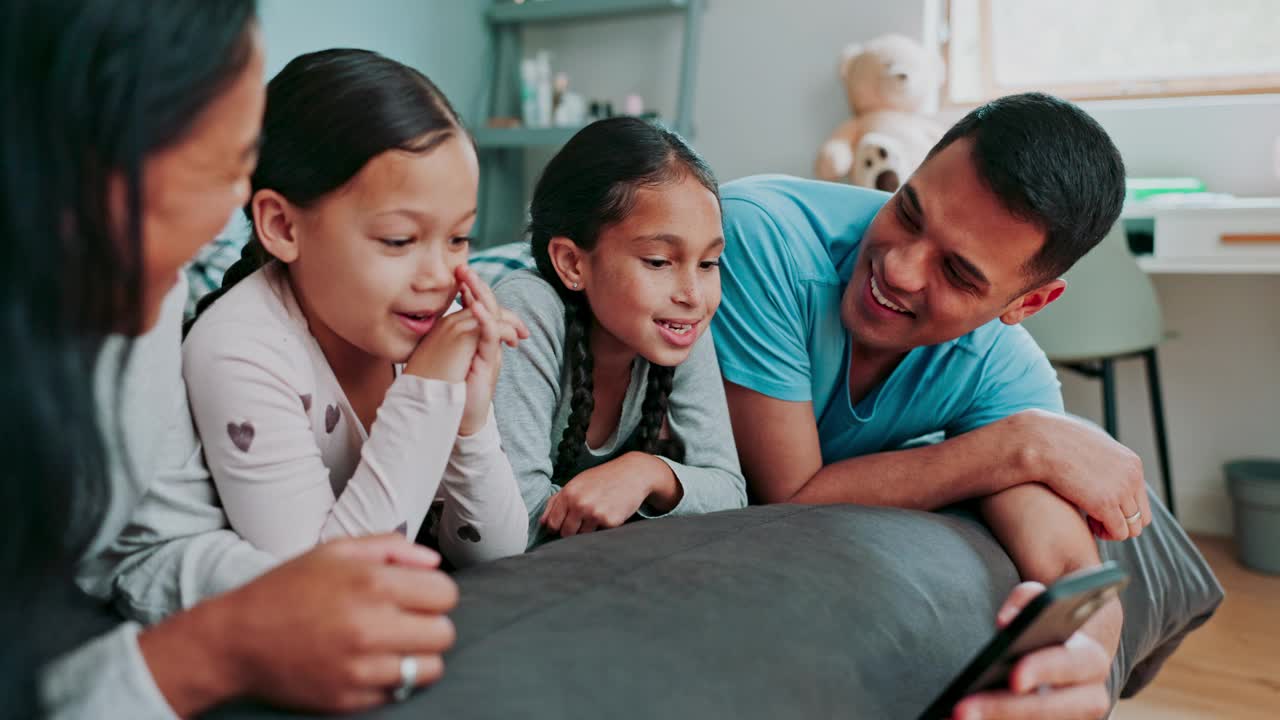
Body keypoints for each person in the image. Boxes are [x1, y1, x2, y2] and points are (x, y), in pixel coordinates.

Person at [1, 2, 457, 716]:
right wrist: (213, 651)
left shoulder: (145, 299)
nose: (234, 214)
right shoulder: (233, 342)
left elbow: (150, 544)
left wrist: (287, 602)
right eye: (225, 168)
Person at [712, 93, 1143, 720]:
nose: (900, 269)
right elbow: (788, 490)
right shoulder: (761, 236)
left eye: (960, 274)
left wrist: (1091, 656)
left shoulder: (1000, 364)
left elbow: (1068, 563)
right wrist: (1020, 444)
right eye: (909, 212)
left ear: (1028, 304)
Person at [183, 48, 529, 568]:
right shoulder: (239, 351)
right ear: (281, 226)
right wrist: (424, 392)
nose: (438, 277)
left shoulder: (408, 331)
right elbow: (326, 586)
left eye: (459, 238)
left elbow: (498, 555)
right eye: (398, 240)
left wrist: (471, 418)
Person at [491, 117, 747, 548]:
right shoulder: (525, 310)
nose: (693, 294)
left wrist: (646, 473)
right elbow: (515, 520)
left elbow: (729, 490)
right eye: (658, 262)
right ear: (573, 263)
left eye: (708, 264)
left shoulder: (679, 320)